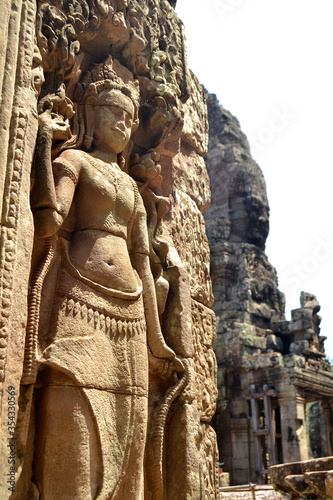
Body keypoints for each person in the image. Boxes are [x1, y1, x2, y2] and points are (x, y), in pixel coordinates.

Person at [28, 56, 178, 499]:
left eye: (131, 117)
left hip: (130, 312)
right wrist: (41, 145)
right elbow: (50, 222)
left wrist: (156, 338)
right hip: (77, 299)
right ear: (91, 114)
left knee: (127, 426)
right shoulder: (74, 160)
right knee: (70, 405)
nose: (125, 124)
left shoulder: (132, 188)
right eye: (114, 112)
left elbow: (144, 266)